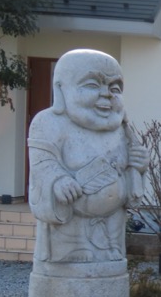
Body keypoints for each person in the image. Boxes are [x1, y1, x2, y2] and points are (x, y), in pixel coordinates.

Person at [28, 49, 149, 263]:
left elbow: (132, 175)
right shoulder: (48, 122)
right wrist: (58, 180)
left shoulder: (121, 128)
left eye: (115, 88)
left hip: (112, 225)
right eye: (93, 85)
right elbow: (42, 162)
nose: (107, 94)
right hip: (69, 231)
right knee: (75, 259)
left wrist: (138, 167)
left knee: (111, 259)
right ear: (61, 90)